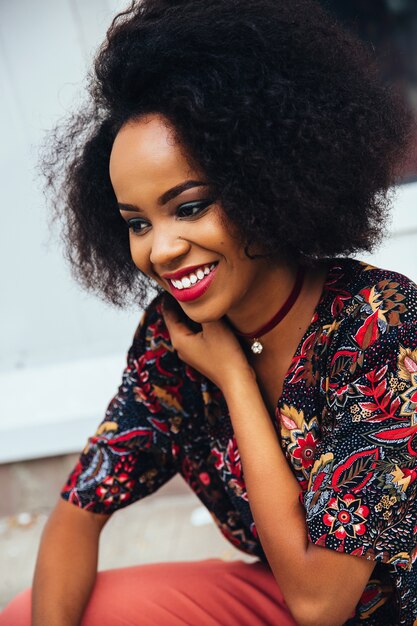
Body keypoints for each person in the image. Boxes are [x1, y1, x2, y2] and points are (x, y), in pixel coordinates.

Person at [1, 0, 416, 624]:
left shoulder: (380, 325)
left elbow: (320, 601)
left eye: (190, 207)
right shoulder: (173, 337)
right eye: (138, 222)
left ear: (265, 182)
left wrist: (233, 379)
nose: (161, 249)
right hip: (282, 596)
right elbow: (76, 514)